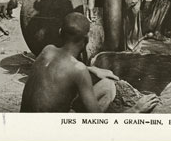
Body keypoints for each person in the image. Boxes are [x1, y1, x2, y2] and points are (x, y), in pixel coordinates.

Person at [20, 12, 161, 112]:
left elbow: (62, 66)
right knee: (108, 89)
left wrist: (92, 69)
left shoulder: (47, 50)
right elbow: (97, 122)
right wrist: (136, 109)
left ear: (60, 32)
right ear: (86, 40)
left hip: (27, 128)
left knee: (106, 85)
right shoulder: (78, 70)